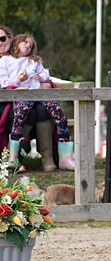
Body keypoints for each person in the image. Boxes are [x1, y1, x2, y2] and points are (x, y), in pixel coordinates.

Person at [0, 33, 75, 170]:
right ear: (16, 43)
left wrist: (40, 77)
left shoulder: (34, 61)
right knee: (20, 117)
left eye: (31, 44)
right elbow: (3, 82)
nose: (29, 45)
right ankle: (13, 157)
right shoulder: (6, 61)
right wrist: (19, 80)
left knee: (58, 113)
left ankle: (65, 157)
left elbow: (46, 75)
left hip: (38, 95)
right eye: (25, 42)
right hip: (21, 96)